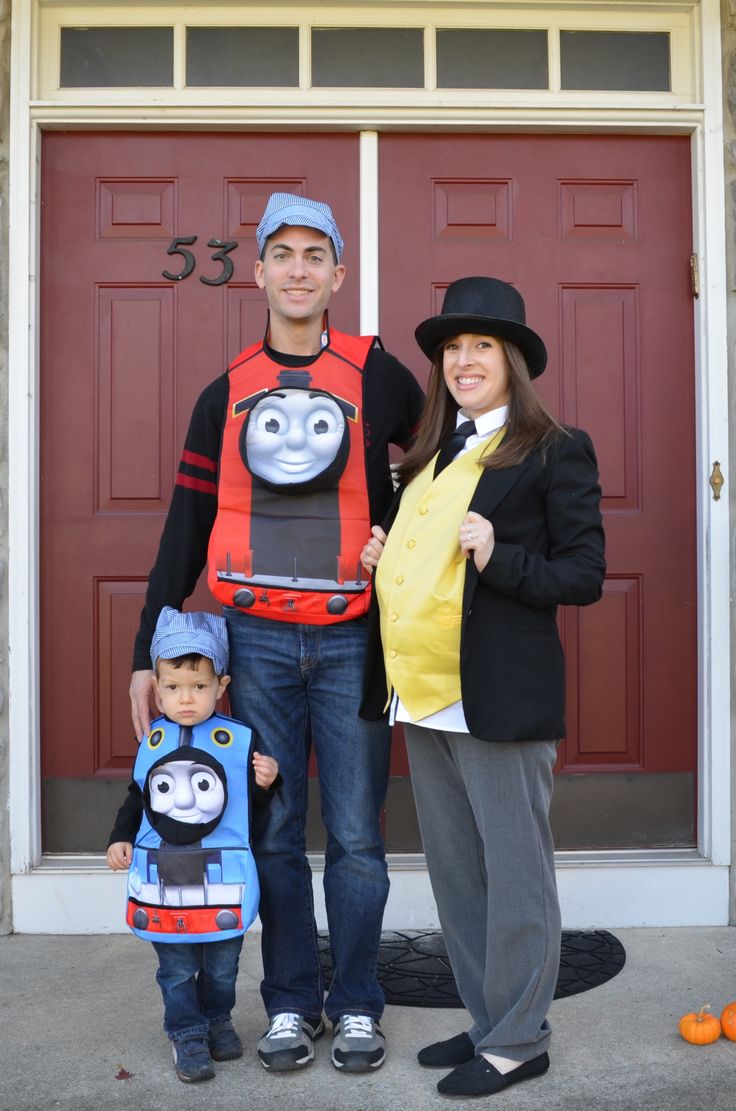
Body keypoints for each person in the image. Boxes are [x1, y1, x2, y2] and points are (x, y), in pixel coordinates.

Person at [128, 193, 424, 1074]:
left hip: (353, 639)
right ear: (257, 271)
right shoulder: (223, 394)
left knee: (359, 834)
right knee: (275, 829)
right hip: (251, 639)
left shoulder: (383, 379)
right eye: (281, 254)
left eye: (314, 255)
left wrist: (395, 530)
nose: (297, 270)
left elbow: (440, 469)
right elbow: (185, 523)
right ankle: (292, 1001)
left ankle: (360, 1001)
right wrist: (149, 645)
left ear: (338, 274)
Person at [360, 277, 605, 1099]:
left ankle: (521, 1037)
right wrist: (380, 556)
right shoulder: (427, 455)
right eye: (453, 349)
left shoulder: (554, 447)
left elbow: (583, 574)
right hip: (422, 691)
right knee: (459, 872)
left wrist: (502, 554)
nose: (464, 361)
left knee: (515, 871)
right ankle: (488, 1015)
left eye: (482, 347)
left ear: (512, 363)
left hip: (498, 696)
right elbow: (417, 561)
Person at [107, 607, 280, 1083]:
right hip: (163, 874)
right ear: (156, 687)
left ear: (221, 687)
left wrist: (265, 784)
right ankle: (186, 1031)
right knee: (177, 966)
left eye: (199, 687)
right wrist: (121, 837)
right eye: (173, 688)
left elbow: (249, 814)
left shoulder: (240, 740)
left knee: (224, 963)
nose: (186, 699)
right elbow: (137, 797)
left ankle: (218, 1017)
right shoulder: (152, 740)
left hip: (221, 873)